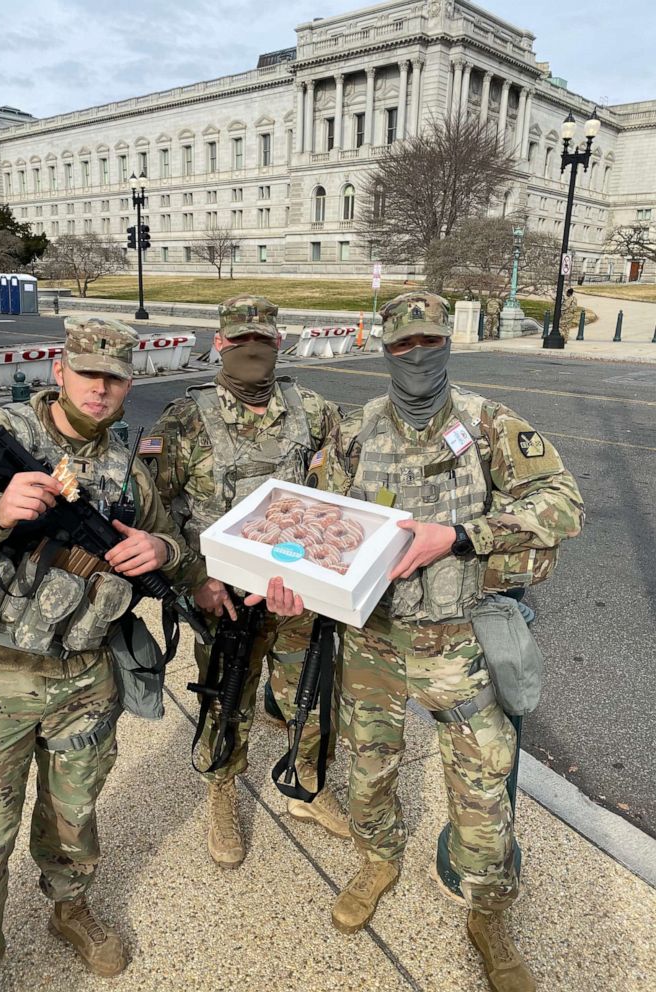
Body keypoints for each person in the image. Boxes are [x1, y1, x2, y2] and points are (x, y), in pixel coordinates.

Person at [0, 315, 209, 992]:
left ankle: (70, 911)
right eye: (89, 375)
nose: (101, 391)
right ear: (61, 372)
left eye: (115, 379)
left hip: (83, 677)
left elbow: (175, 548)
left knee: (73, 818)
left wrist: (161, 552)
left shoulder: (129, 469)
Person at [308, 292, 584, 992]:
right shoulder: (352, 429)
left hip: (453, 639)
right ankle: (378, 860)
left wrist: (461, 537)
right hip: (370, 637)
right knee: (369, 766)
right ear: (386, 350)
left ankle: (488, 911)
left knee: (482, 776)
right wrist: (294, 581)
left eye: (431, 340)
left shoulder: (487, 421)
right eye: (404, 344)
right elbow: (323, 525)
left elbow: (561, 501)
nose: (419, 355)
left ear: (447, 345)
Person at [140, 294, 349, 869]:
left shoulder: (313, 409)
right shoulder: (184, 421)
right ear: (220, 345)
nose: (251, 351)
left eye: (263, 341)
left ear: (279, 343)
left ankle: (308, 780)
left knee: (308, 687)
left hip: (298, 593)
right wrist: (195, 577)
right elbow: (155, 509)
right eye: (239, 342)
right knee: (225, 695)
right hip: (223, 594)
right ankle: (222, 790)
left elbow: (344, 491)